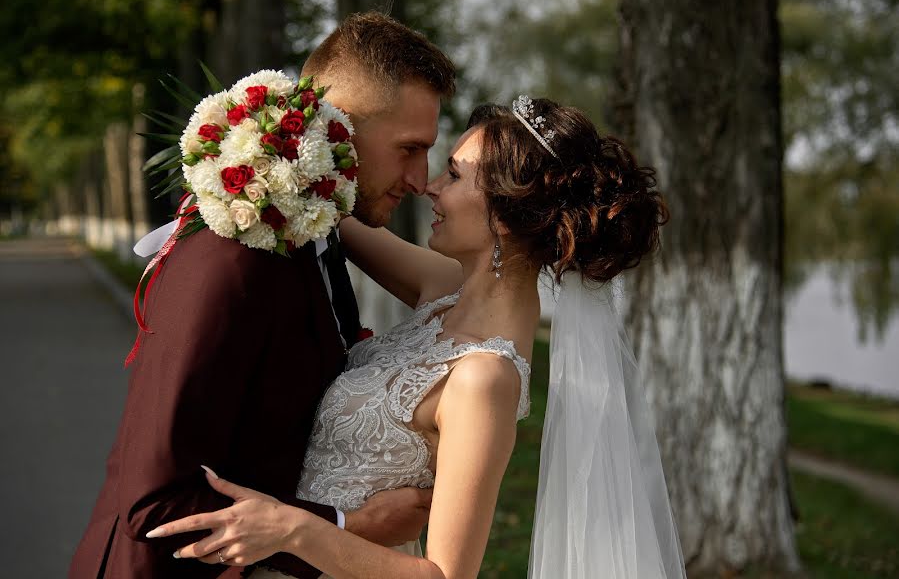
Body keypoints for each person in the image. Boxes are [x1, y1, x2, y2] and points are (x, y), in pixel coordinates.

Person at [147, 97, 688, 579]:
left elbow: (444, 575)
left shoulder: (484, 377)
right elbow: (331, 215)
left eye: (454, 175)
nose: (429, 185)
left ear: (505, 214)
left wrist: (292, 530)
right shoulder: (445, 288)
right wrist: (255, 163)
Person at [69, 12, 456, 579]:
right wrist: (346, 527)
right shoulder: (232, 263)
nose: (421, 179)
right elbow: (155, 503)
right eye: (408, 149)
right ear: (339, 126)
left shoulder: (309, 234)